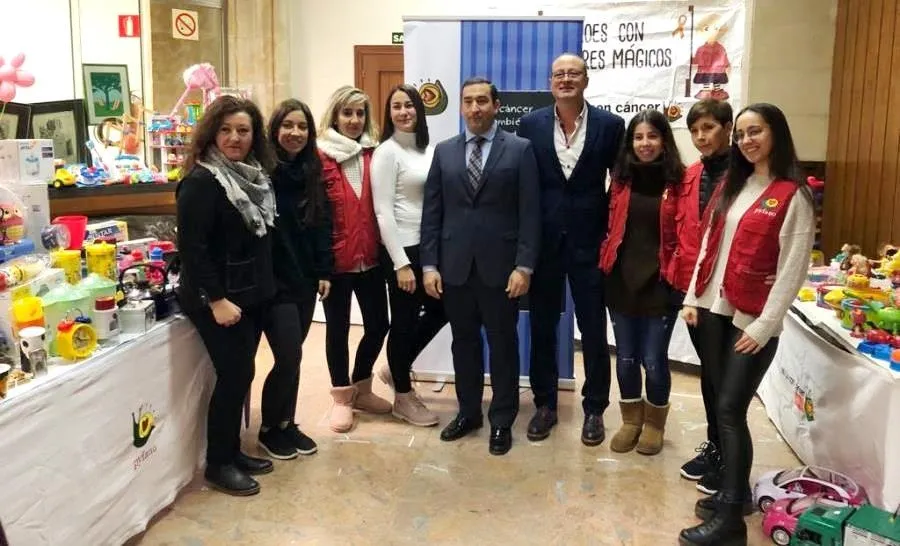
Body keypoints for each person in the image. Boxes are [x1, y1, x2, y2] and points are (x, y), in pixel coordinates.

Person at [678, 103, 815, 546]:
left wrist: (764, 326)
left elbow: (793, 267)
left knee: (731, 411)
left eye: (755, 132)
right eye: (741, 134)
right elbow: (708, 249)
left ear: (776, 132)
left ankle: (731, 521)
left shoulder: (792, 194)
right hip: (715, 312)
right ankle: (731, 497)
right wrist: (694, 299)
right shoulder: (733, 186)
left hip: (752, 321)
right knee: (721, 403)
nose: (747, 141)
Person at [421, 77, 540, 456]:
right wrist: (428, 265)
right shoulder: (444, 152)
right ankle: (469, 412)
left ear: (496, 105)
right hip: (454, 269)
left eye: (482, 101)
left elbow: (530, 214)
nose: (475, 108)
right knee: (464, 344)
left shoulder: (520, 150)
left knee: (503, 345)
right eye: (468, 102)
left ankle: (501, 420)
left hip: (501, 270)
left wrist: (524, 267)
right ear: (460, 107)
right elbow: (433, 213)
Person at [517, 53, 625, 446]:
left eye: (573, 73)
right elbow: (525, 185)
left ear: (586, 80)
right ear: (551, 82)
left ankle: (594, 408)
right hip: (543, 244)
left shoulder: (611, 126)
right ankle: (544, 404)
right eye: (559, 74)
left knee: (594, 329)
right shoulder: (530, 124)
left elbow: (621, 184)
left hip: (589, 243)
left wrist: (610, 233)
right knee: (543, 326)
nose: (566, 79)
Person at [176, 95, 277, 496]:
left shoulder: (251, 175)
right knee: (234, 374)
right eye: (226, 130)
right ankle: (218, 463)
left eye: (244, 130)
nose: (235, 138)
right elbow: (193, 250)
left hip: (246, 295)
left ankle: (232, 451)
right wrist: (216, 300)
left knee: (243, 374)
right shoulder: (202, 181)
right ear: (212, 133)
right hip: (214, 299)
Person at [599, 109, 685, 456]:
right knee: (626, 358)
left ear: (664, 140)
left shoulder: (680, 182)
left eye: (652, 136)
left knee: (653, 358)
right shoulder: (620, 181)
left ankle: (653, 425)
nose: (645, 143)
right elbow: (610, 225)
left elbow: (685, 234)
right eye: (638, 137)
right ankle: (631, 421)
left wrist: (678, 277)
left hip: (660, 282)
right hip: (621, 280)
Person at [256, 99, 333, 460]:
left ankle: (287, 423)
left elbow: (321, 224)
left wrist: (323, 270)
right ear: (275, 130)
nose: (295, 133)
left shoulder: (312, 169)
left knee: (296, 356)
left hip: (304, 280)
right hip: (273, 282)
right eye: (288, 125)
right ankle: (269, 427)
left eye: (302, 126)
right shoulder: (260, 172)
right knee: (288, 355)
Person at [318, 85, 391, 433]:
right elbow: (314, 215)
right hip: (336, 263)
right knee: (338, 329)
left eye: (360, 113)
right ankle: (341, 398)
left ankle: (361, 385)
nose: (354, 120)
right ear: (335, 115)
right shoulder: (319, 156)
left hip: (371, 258)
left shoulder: (374, 153)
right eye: (347, 113)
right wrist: (320, 266)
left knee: (379, 325)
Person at [372, 84, 445, 427]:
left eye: (409, 105)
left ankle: (394, 366)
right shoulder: (387, 152)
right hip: (400, 248)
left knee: (442, 308)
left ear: (419, 109)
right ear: (389, 114)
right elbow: (383, 211)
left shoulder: (427, 150)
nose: (403, 112)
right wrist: (400, 262)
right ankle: (402, 396)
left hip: (428, 245)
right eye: (396, 106)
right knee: (402, 322)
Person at [673, 99, 734, 492]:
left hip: (730, 296)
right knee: (711, 376)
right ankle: (716, 448)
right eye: (695, 130)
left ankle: (730, 460)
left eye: (709, 128)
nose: (701, 136)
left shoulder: (746, 176)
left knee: (726, 382)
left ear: (727, 127)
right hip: (696, 294)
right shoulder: (690, 175)